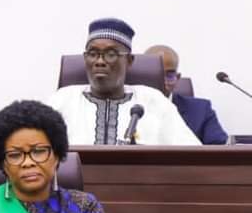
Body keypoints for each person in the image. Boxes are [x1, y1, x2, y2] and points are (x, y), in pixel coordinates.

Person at [46, 18, 200, 145]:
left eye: (111, 54)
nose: (99, 61)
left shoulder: (153, 100)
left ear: (129, 60)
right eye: (92, 54)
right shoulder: (62, 99)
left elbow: (191, 154)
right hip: (73, 183)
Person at [145, 44, 228, 145]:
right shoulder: (129, 105)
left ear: (177, 78)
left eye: (169, 75)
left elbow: (220, 149)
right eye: (156, 74)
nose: (162, 81)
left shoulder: (201, 110)